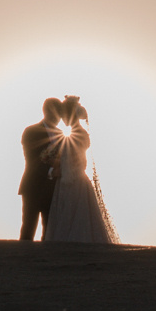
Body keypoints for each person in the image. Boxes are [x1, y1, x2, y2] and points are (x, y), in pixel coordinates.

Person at [40, 95, 119, 244]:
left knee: (72, 217)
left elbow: (73, 164)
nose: (62, 118)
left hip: (71, 182)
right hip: (75, 180)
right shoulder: (78, 135)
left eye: (64, 115)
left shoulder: (75, 136)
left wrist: (57, 171)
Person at [17, 98, 64, 241]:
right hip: (33, 186)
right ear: (46, 111)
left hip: (52, 189)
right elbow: (31, 159)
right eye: (56, 112)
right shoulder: (31, 131)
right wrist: (51, 171)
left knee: (49, 229)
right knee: (28, 227)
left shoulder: (61, 134)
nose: (58, 117)